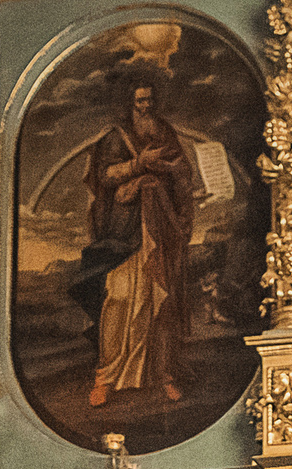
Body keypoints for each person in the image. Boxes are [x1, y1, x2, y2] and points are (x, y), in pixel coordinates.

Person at [83, 72, 199, 411]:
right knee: (118, 300)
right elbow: (103, 176)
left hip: (159, 227)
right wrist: (139, 164)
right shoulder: (115, 138)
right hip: (124, 231)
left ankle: (163, 374)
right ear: (129, 104)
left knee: (158, 301)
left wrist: (175, 183)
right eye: (139, 101)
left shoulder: (166, 134)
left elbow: (182, 175)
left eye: (149, 100)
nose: (145, 107)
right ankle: (104, 377)